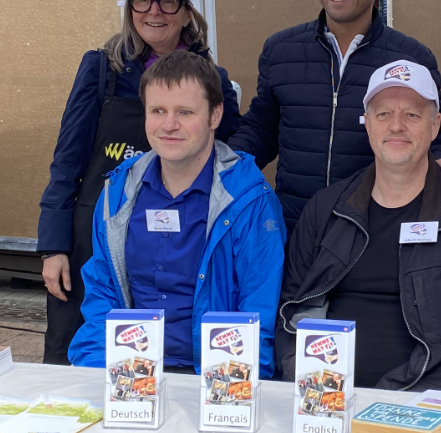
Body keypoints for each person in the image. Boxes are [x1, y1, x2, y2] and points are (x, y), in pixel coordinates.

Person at [37, 0, 242, 365]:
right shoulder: (101, 68)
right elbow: (67, 160)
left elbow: (231, 158)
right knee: (78, 349)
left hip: (175, 243)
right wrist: (53, 246)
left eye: (168, 1)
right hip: (96, 237)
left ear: (187, 13)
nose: (153, 10)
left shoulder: (211, 80)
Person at [276, 61, 441, 393]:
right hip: (325, 399)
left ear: (434, 127)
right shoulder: (325, 210)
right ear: (368, 125)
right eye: (383, 114)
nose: (397, 126)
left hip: (426, 405)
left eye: (413, 115)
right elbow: (290, 314)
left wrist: (399, 401)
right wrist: (310, 385)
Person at [228, 0, 441, 235]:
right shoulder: (280, 51)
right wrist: (222, 168)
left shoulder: (412, 59)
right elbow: (261, 130)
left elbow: (433, 139)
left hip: (373, 236)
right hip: (295, 233)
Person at [67, 51, 284, 377]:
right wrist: (98, 376)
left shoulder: (250, 202)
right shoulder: (118, 193)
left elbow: (259, 316)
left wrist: (229, 400)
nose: (169, 125)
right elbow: (102, 296)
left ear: (215, 115)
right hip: (130, 377)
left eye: (185, 112)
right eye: (158, 111)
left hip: (215, 380)